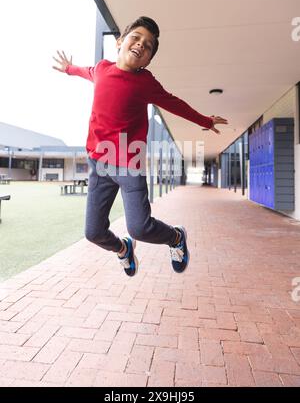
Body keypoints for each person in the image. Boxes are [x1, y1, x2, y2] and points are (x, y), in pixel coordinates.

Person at [52, 16, 228, 277]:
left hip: (128, 164)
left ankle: (176, 237)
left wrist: (204, 120)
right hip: (98, 164)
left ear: (147, 61)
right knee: (93, 233)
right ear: (120, 42)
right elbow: (85, 72)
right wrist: (69, 68)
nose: (140, 45)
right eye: (136, 38)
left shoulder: (145, 83)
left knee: (140, 228)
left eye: (148, 46)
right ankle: (122, 249)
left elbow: (174, 103)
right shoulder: (102, 68)